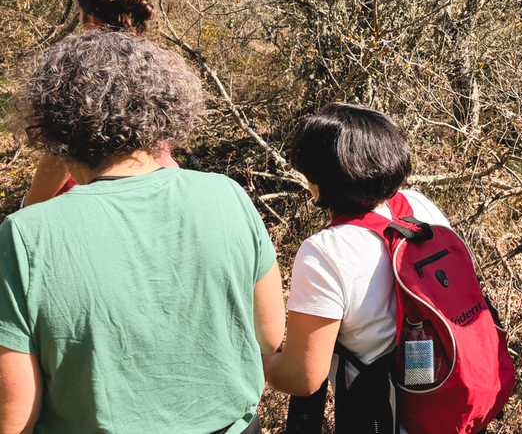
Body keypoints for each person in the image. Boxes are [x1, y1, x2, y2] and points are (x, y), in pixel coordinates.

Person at [0, 30, 285, 433]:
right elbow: (269, 337)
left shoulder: (26, 234)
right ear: (161, 108)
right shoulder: (226, 193)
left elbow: (14, 416)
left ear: (55, 125)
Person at [263, 103, 451, 431]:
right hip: (446, 401)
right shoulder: (418, 206)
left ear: (317, 183)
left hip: (387, 419)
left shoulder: (324, 253)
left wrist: (257, 360)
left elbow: (302, 377)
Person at [23, 0, 177, 207]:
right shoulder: (157, 65)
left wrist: (26, 210)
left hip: (94, 203)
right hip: (161, 185)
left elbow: (61, 156)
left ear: (92, 20)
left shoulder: (81, 73)